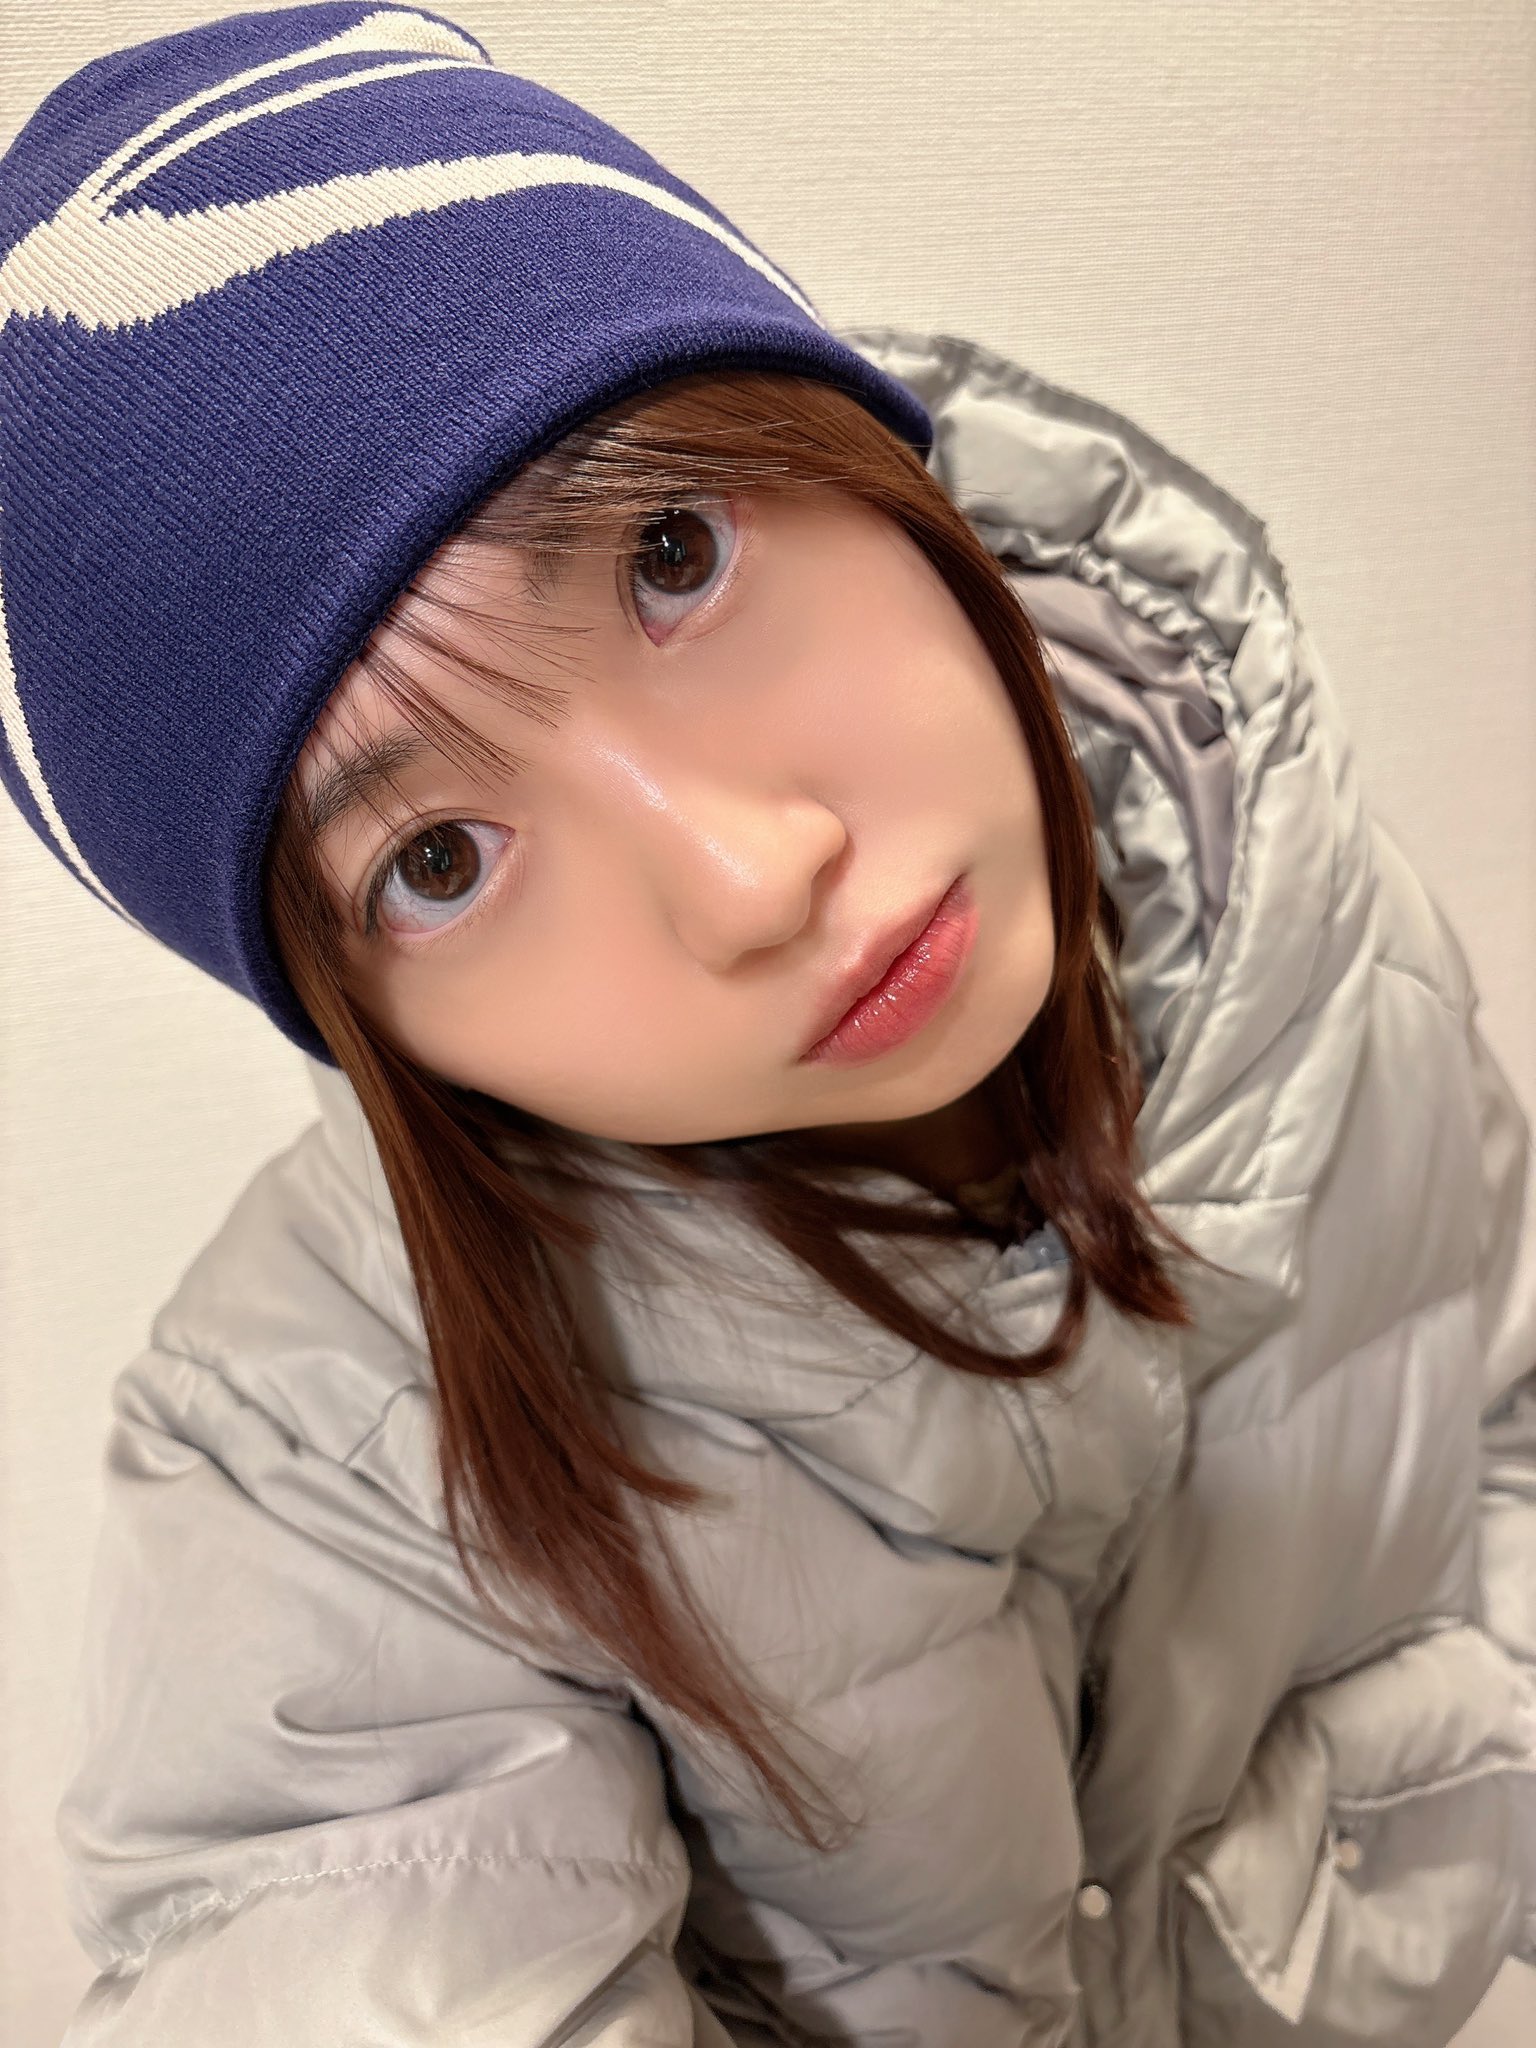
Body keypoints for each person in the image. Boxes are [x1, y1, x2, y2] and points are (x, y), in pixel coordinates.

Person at [1, 3, 1531, 2043]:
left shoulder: (1291, 935)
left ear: (852, 451)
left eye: (672, 552)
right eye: (437, 858)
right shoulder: (316, 1466)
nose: (749, 877)